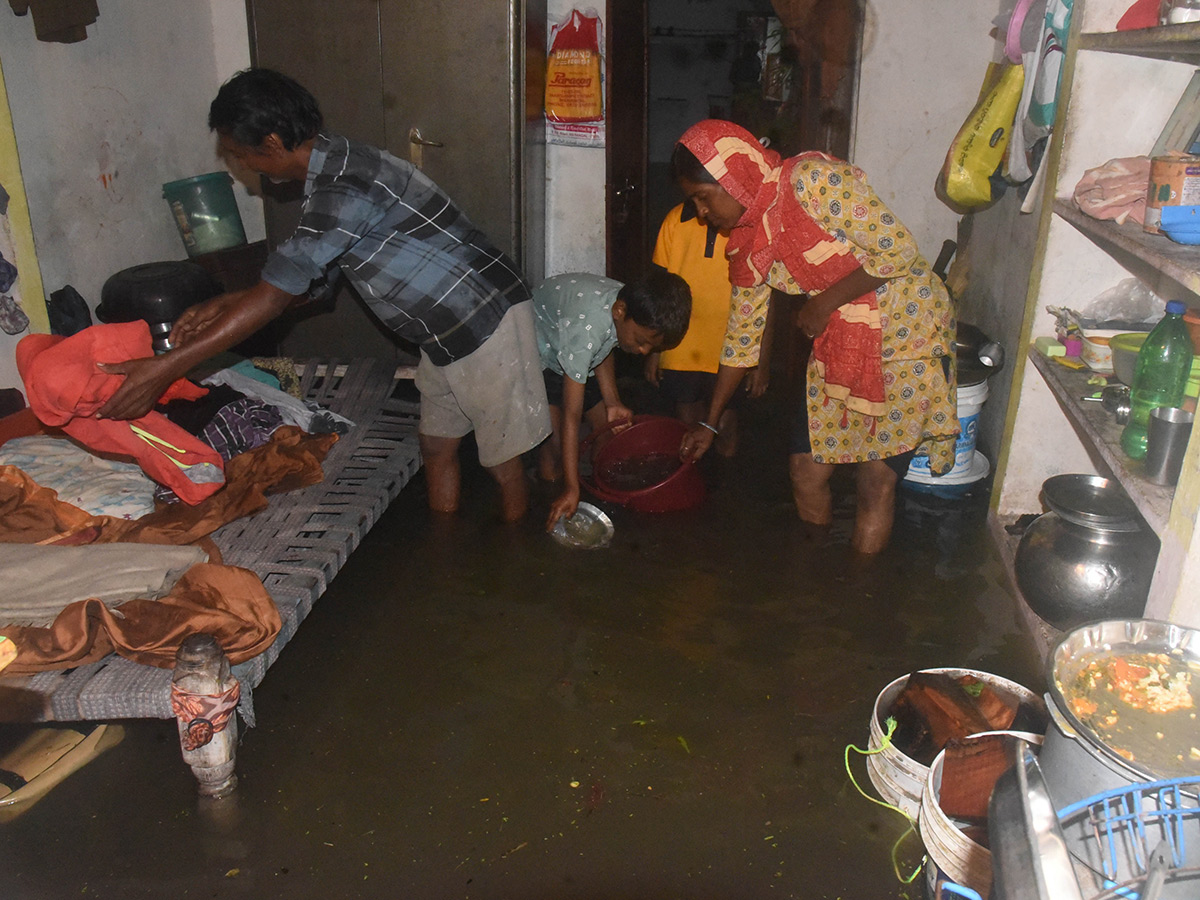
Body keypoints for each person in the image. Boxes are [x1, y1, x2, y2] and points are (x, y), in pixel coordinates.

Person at [95, 68, 550, 523]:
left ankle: (518, 551)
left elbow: (277, 296)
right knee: (435, 445)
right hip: (443, 330)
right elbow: (311, 284)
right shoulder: (333, 169)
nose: (243, 167)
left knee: (503, 459)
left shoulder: (345, 186)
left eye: (241, 155)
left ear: (271, 144)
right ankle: (446, 546)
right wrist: (229, 302)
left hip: (484, 318)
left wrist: (165, 368)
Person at [672, 120, 958, 554]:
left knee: (875, 482)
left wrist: (823, 304)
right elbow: (741, 338)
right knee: (806, 470)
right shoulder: (748, 243)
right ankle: (816, 586)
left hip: (904, 331)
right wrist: (710, 420)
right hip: (840, 338)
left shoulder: (811, 182)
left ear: (733, 177)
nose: (700, 213)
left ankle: (858, 597)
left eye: (702, 197)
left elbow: (899, 250)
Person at [533, 270, 691, 531]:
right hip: (541, 353)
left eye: (652, 348)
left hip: (576, 350)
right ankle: (554, 496)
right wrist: (572, 487)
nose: (643, 352)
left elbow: (605, 344)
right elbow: (572, 416)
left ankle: (594, 493)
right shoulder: (587, 328)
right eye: (641, 342)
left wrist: (612, 401)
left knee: (605, 434)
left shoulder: (626, 308)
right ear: (619, 311)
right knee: (557, 445)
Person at [647, 200, 770, 456]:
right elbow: (659, 292)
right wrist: (655, 350)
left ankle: (726, 486)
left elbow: (766, 302)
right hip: (679, 343)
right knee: (687, 427)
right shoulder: (675, 220)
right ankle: (692, 487)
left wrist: (761, 361)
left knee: (725, 425)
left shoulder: (748, 223)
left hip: (730, 344)